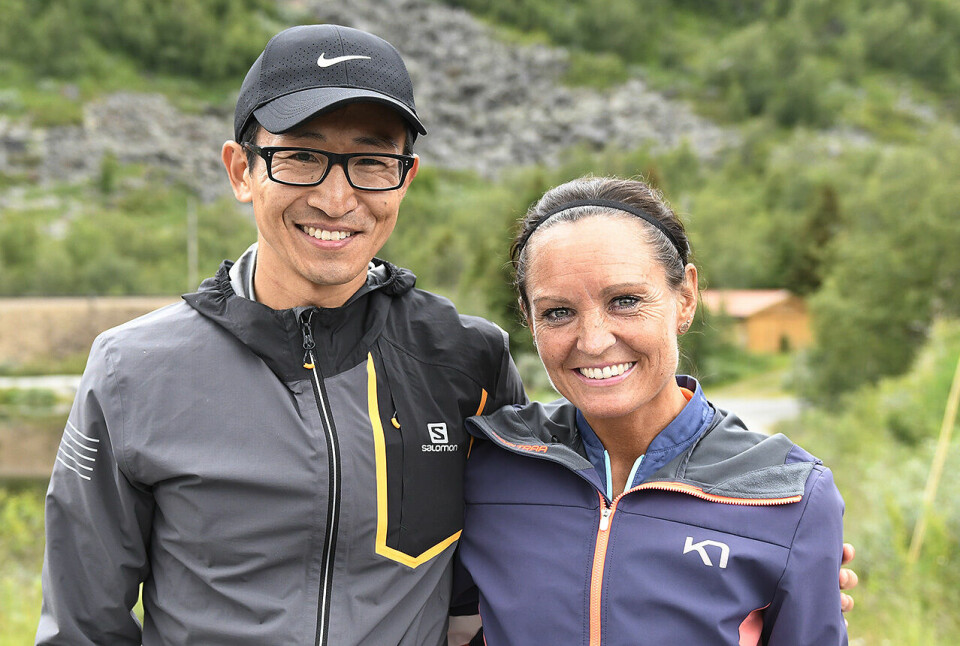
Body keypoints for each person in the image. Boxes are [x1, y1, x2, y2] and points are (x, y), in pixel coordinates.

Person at [36, 24, 857, 646]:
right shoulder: (133, 371)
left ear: (406, 180)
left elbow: (572, 495)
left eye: (371, 161)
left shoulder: (466, 358)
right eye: (301, 157)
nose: (336, 197)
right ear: (241, 169)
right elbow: (82, 626)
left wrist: (769, 538)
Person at [454, 176, 849, 644]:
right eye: (558, 312)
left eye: (625, 301)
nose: (593, 341)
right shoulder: (488, 460)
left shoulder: (788, 493)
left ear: (685, 298)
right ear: (527, 316)